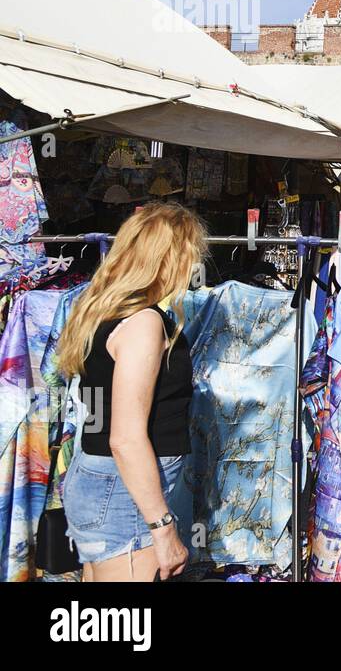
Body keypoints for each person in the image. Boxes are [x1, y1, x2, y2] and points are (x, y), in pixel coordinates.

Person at [57, 202, 207, 582]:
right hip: (122, 493)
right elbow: (124, 437)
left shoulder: (100, 311)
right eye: (189, 254)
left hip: (102, 481)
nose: (193, 267)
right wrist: (163, 528)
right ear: (166, 258)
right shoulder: (142, 322)